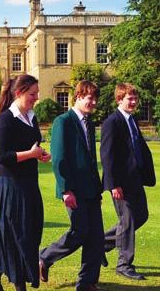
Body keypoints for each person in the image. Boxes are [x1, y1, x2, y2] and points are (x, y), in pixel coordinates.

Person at [0, 75, 51, 291]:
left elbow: (30, 147)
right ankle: (17, 284)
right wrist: (31, 154)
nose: (36, 98)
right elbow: (1, 157)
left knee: (30, 231)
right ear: (19, 93)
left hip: (29, 183)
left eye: (37, 93)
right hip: (8, 185)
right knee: (15, 235)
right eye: (33, 94)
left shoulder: (32, 116)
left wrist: (39, 155)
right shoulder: (5, 119)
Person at [39, 80, 104, 291]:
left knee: (96, 237)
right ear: (78, 97)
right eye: (89, 98)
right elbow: (58, 158)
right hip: (73, 189)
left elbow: (90, 158)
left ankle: (87, 282)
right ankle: (44, 258)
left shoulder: (90, 123)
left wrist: (98, 188)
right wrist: (66, 189)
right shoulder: (63, 121)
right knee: (79, 231)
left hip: (92, 189)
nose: (93, 102)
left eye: (95, 98)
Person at [100, 83, 156, 280]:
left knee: (141, 216)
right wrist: (113, 184)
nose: (133, 102)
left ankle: (100, 245)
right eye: (129, 99)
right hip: (121, 183)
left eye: (135, 99)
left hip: (135, 179)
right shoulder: (111, 122)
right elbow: (106, 156)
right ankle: (124, 264)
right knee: (129, 220)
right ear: (119, 100)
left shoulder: (132, 120)